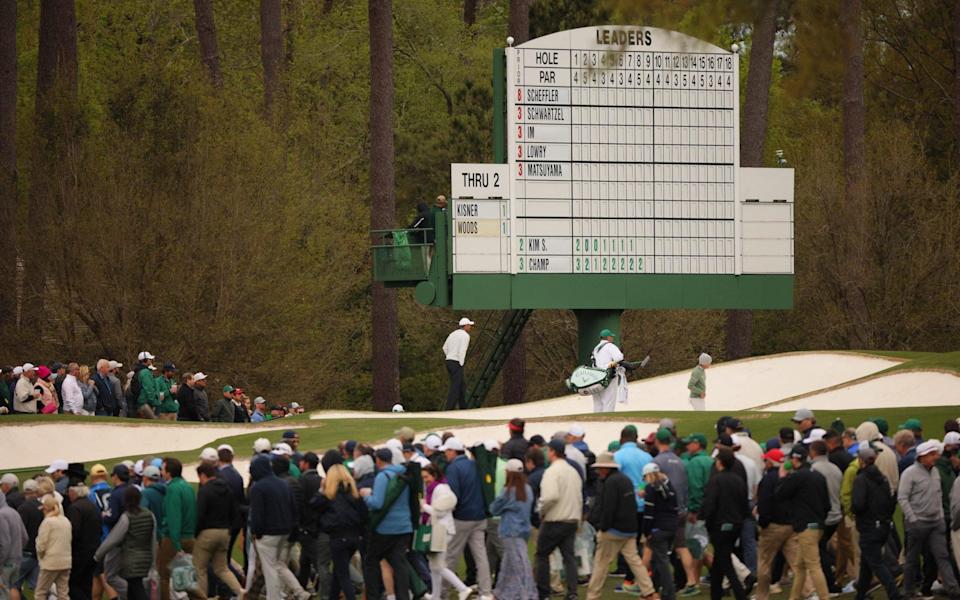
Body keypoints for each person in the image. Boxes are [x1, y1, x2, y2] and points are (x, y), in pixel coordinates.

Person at [585, 452, 656, 600]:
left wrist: (603, 527)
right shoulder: (625, 480)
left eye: (600, 469)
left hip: (613, 531)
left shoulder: (610, 483)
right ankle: (649, 591)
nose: (598, 472)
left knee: (601, 564)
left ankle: (593, 595)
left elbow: (609, 508)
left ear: (605, 468)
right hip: (629, 530)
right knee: (635, 562)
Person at [898, 439, 960, 598]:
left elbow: (938, 495)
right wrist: (913, 519)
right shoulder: (909, 473)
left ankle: (954, 590)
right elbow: (902, 498)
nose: (935, 457)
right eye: (932, 454)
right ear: (922, 456)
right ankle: (908, 591)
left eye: (935, 454)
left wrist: (939, 517)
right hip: (917, 523)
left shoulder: (935, 472)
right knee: (912, 559)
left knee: (942, 556)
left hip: (935, 523)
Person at [247, 455, 309, 600]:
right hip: (285, 531)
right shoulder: (283, 484)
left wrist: (256, 532)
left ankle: (274, 597)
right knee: (276, 565)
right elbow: (293, 508)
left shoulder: (258, 487)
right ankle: (293, 593)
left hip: (268, 533)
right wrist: (293, 528)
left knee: (270, 569)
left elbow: (258, 514)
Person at [774, 445, 831, 600]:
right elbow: (827, 505)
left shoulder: (797, 477)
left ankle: (824, 597)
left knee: (813, 565)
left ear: (794, 459)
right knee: (800, 566)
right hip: (818, 525)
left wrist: (782, 476)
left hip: (806, 527)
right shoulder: (818, 475)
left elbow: (779, 495)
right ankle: (794, 597)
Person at [442, 437, 492, 599]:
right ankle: (486, 592)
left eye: (446, 451)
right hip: (480, 516)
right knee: (481, 556)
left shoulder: (453, 468)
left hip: (462, 518)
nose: (445, 455)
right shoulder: (474, 464)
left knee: (450, 557)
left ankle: (441, 592)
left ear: (452, 451)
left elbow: (453, 496)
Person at [850, 446, 901, 600]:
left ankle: (894, 595)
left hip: (868, 527)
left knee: (877, 564)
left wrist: (854, 509)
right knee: (867, 563)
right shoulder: (882, 479)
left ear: (861, 461)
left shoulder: (861, 479)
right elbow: (889, 501)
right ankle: (860, 595)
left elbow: (858, 505)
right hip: (883, 525)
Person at [361, 448, 413, 600]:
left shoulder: (383, 476)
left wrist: (366, 496)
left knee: (371, 561)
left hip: (386, 528)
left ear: (378, 460)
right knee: (399, 562)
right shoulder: (403, 474)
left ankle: (373, 595)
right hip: (404, 526)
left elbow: (377, 504)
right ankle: (403, 596)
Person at [536, 439, 583, 600]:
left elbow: (550, 496)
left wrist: (541, 510)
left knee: (542, 554)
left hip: (555, 519)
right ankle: (572, 592)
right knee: (568, 557)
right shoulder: (573, 471)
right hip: (571, 519)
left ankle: (543, 592)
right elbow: (579, 496)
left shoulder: (552, 471)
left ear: (552, 451)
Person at [314, 464, 367, 600]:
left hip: (337, 537)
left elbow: (313, 504)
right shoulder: (354, 494)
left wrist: (321, 489)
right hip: (354, 537)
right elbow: (364, 516)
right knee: (339, 571)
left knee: (343, 575)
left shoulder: (329, 496)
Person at [419, 464, 472, 600]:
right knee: (434, 565)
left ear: (434, 475)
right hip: (439, 529)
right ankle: (436, 595)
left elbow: (440, 512)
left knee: (438, 565)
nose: (425, 480)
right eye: (423, 477)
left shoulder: (440, 489)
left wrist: (424, 506)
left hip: (442, 530)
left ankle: (463, 589)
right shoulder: (435, 489)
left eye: (427, 477)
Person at [701, 448, 748, 600]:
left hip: (720, 525)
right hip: (735, 525)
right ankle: (716, 595)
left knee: (724, 560)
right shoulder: (738, 480)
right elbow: (744, 504)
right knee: (719, 563)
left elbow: (710, 504)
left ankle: (740, 594)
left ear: (719, 462)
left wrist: (706, 521)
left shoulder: (716, 480)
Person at [93, 487, 155, 600]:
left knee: (137, 588)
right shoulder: (149, 514)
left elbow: (113, 539)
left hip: (130, 560)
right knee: (132, 591)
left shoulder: (126, 517)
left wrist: (98, 555)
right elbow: (153, 538)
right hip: (146, 557)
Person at [194, 462, 243, 600]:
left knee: (200, 568)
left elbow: (200, 515)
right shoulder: (227, 489)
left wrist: (196, 533)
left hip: (207, 533)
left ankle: (202, 597)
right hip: (224, 532)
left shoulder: (205, 491)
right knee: (222, 568)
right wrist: (230, 530)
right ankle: (241, 592)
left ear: (203, 475)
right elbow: (235, 512)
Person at [755, 448, 800, 600]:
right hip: (791, 525)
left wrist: (763, 522)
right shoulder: (791, 476)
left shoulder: (769, 479)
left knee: (764, 562)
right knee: (797, 562)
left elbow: (764, 503)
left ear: (770, 462)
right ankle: (809, 592)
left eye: (766, 460)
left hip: (773, 526)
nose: (764, 462)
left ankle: (762, 595)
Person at [489, 459, 534, 600]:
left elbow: (494, 509)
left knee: (519, 563)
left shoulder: (508, 491)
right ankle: (501, 592)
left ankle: (525, 593)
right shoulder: (527, 489)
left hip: (510, 530)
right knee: (508, 563)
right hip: (524, 529)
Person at [158, 458, 198, 600]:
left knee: (163, 575)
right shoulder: (187, 486)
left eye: (163, 469)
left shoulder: (173, 489)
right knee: (188, 577)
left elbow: (174, 517)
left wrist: (175, 543)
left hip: (174, 538)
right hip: (189, 537)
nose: (161, 473)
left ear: (169, 472)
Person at [808, 440, 844, 594]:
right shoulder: (835, 468)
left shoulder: (813, 469)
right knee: (821, 548)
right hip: (836, 515)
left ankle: (829, 584)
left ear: (813, 452)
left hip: (822, 516)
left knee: (818, 551)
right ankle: (830, 579)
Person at [641, 462, 678, 600]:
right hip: (671, 528)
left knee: (662, 563)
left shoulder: (651, 489)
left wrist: (646, 531)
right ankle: (653, 589)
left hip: (658, 529)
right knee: (657, 561)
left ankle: (669, 594)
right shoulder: (669, 486)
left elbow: (648, 514)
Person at [66, 483, 101, 600]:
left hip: (80, 553)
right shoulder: (92, 505)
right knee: (86, 584)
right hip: (94, 550)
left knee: (73, 584)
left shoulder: (75, 508)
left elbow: (74, 531)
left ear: (74, 492)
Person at [35, 494, 71, 600]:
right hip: (65, 561)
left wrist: (41, 557)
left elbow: (41, 545)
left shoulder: (47, 522)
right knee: (63, 593)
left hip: (50, 563)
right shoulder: (65, 521)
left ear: (46, 509)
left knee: (40, 593)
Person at [0, 489, 28, 599]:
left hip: (5, 563)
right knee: (13, 589)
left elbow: (4, 544)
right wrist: (17, 552)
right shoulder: (13, 512)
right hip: (17, 560)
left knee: (3, 593)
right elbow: (25, 537)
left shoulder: (1, 515)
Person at [443, 317, 473, 410]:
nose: (471, 327)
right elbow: (462, 350)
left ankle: (463, 406)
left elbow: (445, 347)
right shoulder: (465, 336)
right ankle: (449, 407)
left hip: (449, 361)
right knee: (456, 385)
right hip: (456, 362)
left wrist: (449, 356)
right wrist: (461, 363)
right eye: (469, 325)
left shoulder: (453, 334)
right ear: (466, 326)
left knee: (461, 384)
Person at [132, 351, 159, 419]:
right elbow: (149, 389)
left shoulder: (138, 371)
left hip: (140, 402)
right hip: (145, 403)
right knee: (154, 423)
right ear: (145, 360)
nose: (151, 360)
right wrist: (155, 402)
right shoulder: (145, 372)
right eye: (149, 359)